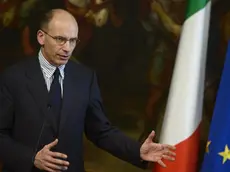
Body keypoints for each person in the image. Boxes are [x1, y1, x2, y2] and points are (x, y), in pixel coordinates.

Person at [0, 9, 176, 172]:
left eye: (73, 41)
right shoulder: (13, 78)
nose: (67, 48)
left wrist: (137, 150)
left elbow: (100, 131)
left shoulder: (85, 78)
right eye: (60, 39)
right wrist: (32, 158)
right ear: (41, 37)